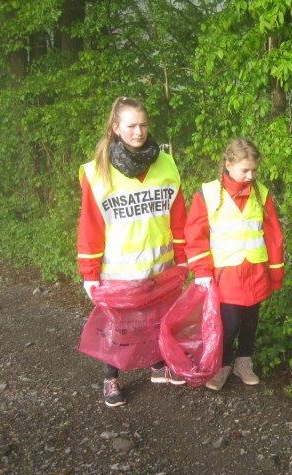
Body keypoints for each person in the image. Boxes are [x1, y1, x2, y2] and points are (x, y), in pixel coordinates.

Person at [77, 96, 188, 407]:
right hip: (120, 269)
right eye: (131, 125)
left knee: (157, 317)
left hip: (160, 266)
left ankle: (156, 366)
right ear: (116, 128)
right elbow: (90, 225)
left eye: (143, 125)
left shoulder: (166, 163)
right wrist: (89, 272)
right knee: (118, 325)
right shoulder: (98, 171)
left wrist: (183, 255)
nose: (138, 131)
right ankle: (111, 378)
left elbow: (177, 213)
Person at [184, 138, 284, 391]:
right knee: (228, 325)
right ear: (228, 164)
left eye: (254, 170)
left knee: (250, 322)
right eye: (244, 170)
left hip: (256, 272)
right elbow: (194, 235)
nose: (250, 175)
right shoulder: (207, 193)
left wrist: (276, 273)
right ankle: (223, 365)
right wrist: (202, 272)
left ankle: (244, 362)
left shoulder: (261, 193)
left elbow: (273, 236)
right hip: (225, 275)